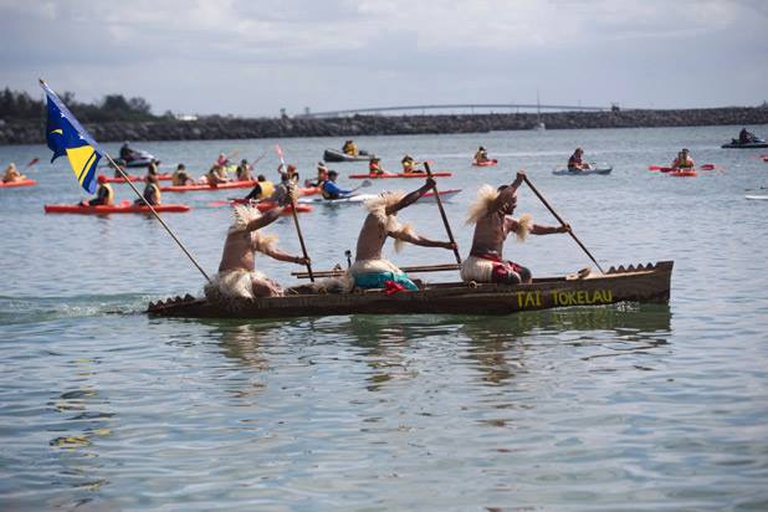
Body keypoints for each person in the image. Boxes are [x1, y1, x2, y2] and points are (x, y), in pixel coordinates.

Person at [460, 171, 570, 285]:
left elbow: (533, 228)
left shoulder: (508, 223)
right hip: (478, 265)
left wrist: (558, 230)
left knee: (525, 274)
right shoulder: (488, 215)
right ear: (504, 202)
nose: (515, 205)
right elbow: (501, 198)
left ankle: (526, 298)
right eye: (513, 201)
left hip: (495, 263)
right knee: (513, 278)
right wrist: (517, 182)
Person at [345, 179, 455, 291]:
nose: (396, 213)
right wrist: (426, 187)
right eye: (395, 208)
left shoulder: (387, 224)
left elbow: (416, 239)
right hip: (366, 271)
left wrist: (444, 245)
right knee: (410, 287)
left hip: (368, 272)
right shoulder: (375, 215)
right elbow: (405, 203)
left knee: (411, 281)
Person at [204, 204, 310, 299]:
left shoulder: (255, 237)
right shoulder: (240, 231)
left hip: (248, 275)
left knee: (276, 286)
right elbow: (268, 218)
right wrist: (284, 204)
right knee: (266, 289)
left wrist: (297, 260)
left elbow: (275, 252)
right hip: (231, 278)